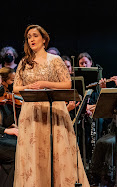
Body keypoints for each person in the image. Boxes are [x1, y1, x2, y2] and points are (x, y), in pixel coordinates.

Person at [13, 24, 89, 186]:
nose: (31, 39)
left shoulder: (54, 60)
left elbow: (67, 84)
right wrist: (28, 87)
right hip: (31, 111)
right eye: (29, 37)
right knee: (33, 153)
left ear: (44, 39)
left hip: (52, 108)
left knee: (54, 151)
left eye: (35, 36)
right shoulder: (24, 62)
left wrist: (44, 84)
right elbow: (15, 88)